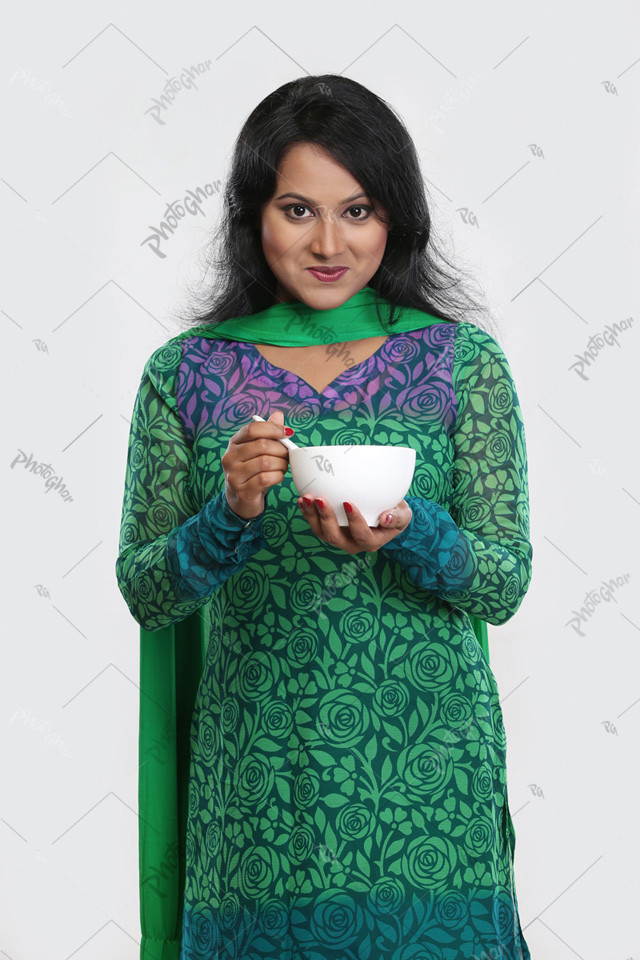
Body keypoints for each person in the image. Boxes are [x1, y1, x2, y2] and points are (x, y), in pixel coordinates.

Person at [116, 74, 533, 960]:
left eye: (360, 209)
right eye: (298, 210)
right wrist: (228, 513)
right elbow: (147, 591)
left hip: (431, 797)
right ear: (252, 217)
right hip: (261, 800)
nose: (331, 242)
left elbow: (504, 582)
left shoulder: (462, 364)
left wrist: (413, 529)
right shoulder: (187, 374)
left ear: (398, 218)